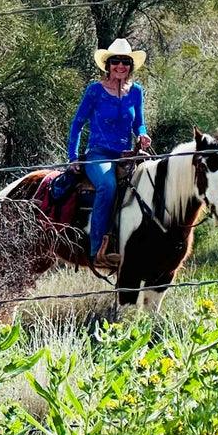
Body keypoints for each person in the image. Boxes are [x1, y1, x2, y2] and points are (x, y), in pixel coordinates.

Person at [67, 38, 152, 265]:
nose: (120, 66)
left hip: (126, 155)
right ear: (108, 64)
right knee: (107, 185)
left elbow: (139, 124)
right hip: (99, 153)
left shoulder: (136, 91)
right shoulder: (95, 91)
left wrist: (143, 134)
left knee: (152, 182)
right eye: (116, 61)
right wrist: (73, 157)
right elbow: (77, 123)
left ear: (130, 65)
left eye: (125, 61)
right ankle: (97, 248)